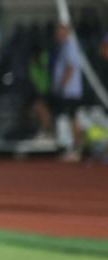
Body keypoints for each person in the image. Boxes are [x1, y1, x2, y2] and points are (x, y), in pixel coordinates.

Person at [51, 22, 84, 161]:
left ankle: (77, 148)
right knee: (71, 118)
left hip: (70, 90)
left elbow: (70, 67)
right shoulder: (65, 46)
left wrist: (62, 84)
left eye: (59, 31)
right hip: (68, 90)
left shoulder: (69, 46)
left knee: (73, 118)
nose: (57, 34)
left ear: (66, 32)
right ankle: (73, 147)